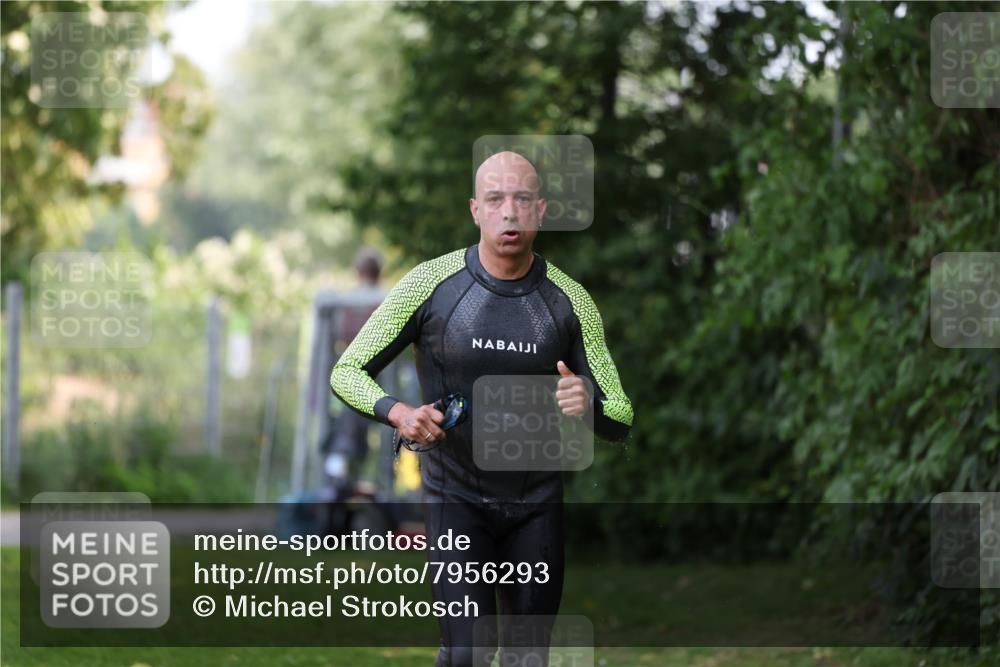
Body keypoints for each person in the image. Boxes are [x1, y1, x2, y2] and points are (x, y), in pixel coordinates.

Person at [330, 151, 633, 666]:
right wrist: (400, 413)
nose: (509, 213)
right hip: (455, 500)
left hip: (536, 505)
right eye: (495, 200)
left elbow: (621, 415)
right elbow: (346, 371)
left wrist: (588, 404)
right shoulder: (430, 284)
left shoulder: (571, 301)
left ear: (540, 210)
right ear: (476, 210)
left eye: (521, 200)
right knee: (466, 653)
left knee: (527, 657)